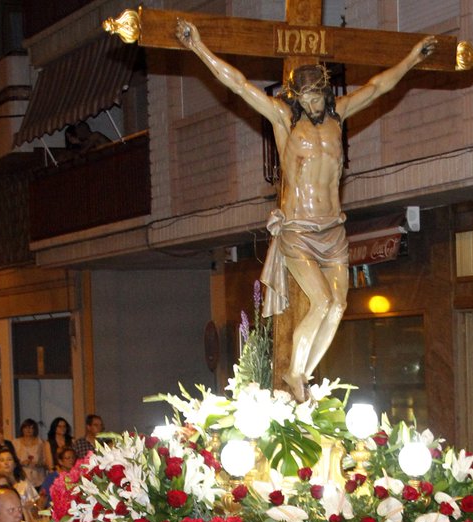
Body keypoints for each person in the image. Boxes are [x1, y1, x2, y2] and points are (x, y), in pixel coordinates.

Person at [176, 21, 434, 395]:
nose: (313, 105)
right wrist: (198, 48)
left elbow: (379, 86)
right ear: (296, 97)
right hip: (299, 229)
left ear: (325, 93)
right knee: (322, 301)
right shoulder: (284, 120)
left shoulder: (338, 115)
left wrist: (412, 58)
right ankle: (294, 374)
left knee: (338, 305)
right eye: (306, 99)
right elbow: (239, 85)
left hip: (333, 229)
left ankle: (303, 376)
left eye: (317, 97)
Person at [12, 418, 49, 490]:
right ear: (22, 429)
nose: (28, 430)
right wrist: (21, 463)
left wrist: (38, 464)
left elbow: (46, 462)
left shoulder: (41, 443)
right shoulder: (15, 443)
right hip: (21, 478)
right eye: (26, 427)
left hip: (38, 479)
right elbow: (12, 460)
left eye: (31, 428)